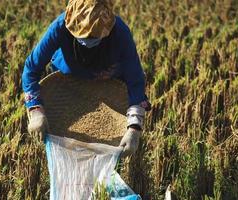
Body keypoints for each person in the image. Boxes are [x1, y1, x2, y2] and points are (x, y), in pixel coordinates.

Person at [22, 0, 151, 157]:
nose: (89, 39)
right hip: (69, 79)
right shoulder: (60, 27)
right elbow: (31, 68)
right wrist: (36, 110)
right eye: (84, 35)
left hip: (109, 80)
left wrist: (134, 128)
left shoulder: (119, 32)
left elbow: (135, 79)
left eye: (95, 36)